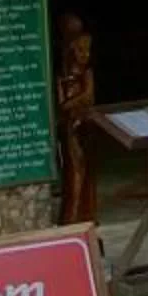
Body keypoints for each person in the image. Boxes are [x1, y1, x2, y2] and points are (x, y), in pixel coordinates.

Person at [54, 13, 97, 225]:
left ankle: (85, 211)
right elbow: (62, 101)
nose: (84, 55)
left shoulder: (85, 72)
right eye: (80, 50)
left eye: (87, 50)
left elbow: (88, 95)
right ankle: (71, 213)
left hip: (83, 123)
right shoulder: (62, 73)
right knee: (72, 170)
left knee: (84, 169)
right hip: (69, 124)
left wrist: (72, 103)